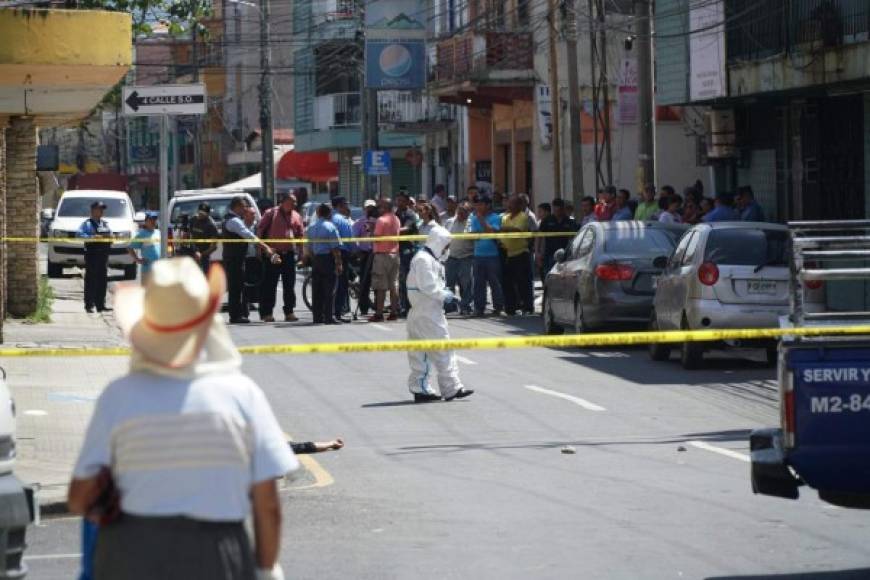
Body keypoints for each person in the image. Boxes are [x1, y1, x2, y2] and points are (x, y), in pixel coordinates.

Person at [67, 258, 297, 580]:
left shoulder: (118, 397)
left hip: (129, 554)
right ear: (207, 324)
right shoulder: (242, 395)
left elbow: (79, 498)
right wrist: (265, 569)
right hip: (216, 553)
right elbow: (268, 504)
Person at [406, 225, 474, 403]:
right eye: (445, 245)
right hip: (428, 313)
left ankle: (420, 389)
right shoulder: (424, 260)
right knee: (442, 349)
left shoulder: (428, 259)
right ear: (438, 243)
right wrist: (446, 295)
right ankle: (451, 388)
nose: (447, 250)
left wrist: (445, 293)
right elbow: (428, 286)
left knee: (422, 353)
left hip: (423, 311)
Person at [223, 196, 277, 324]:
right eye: (243, 207)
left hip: (236, 258)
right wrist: (266, 247)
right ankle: (235, 316)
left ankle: (238, 314)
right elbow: (249, 236)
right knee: (236, 287)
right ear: (236, 207)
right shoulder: (234, 221)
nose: (245, 209)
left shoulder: (233, 219)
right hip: (234, 259)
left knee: (238, 286)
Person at [257, 192, 304, 323]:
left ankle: (289, 312)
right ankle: (267, 313)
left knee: (289, 284)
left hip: (289, 254)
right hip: (273, 254)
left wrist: (301, 253)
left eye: (295, 201)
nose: (295, 204)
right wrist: (261, 250)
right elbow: (260, 231)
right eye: (292, 201)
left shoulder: (296, 216)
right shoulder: (271, 213)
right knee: (270, 283)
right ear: (283, 201)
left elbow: (300, 235)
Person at [306, 203, 343, 324]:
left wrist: (314, 260)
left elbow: (309, 247)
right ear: (329, 214)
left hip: (316, 260)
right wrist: (338, 263)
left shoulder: (310, 227)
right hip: (328, 259)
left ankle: (317, 317)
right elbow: (335, 248)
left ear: (318, 213)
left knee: (317, 290)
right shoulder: (330, 227)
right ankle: (328, 317)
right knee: (330, 290)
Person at [469, 194, 505, 317]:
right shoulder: (474, 219)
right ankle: (479, 308)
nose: (478, 206)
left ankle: (498, 308)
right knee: (478, 284)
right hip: (478, 255)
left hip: (492, 255)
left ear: (488, 205)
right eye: (477, 204)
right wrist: (482, 227)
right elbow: (474, 235)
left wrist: (482, 221)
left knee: (495, 283)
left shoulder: (496, 217)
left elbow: (492, 231)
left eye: (481, 204)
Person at [500, 195, 534, 315]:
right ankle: (510, 308)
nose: (509, 206)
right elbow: (502, 231)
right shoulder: (505, 217)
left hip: (520, 254)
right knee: (507, 282)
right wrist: (505, 229)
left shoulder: (523, 217)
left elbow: (517, 230)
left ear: (519, 206)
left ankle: (527, 307)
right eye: (509, 203)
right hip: (507, 254)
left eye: (513, 203)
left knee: (523, 282)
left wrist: (505, 229)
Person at [77, 201, 112, 313]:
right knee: (91, 280)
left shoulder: (105, 224)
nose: (102, 211)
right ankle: (89, 305)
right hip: (92, 255)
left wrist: (110, 237)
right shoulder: (87, 224)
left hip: (103, 255)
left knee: (102, 280)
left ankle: (101, 305)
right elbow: (78, 235)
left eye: (102, 209)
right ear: (93, 211)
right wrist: (93, 236)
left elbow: (111, 236)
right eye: (99, 209)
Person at [369, 198, 401, 322]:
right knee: (394, 285)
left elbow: (377, 238)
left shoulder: (381, 220)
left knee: (381, 286)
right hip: (394, 254)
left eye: (380, 206)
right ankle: (394, 312)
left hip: (382, 255)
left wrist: (371, 231)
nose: (378, 209)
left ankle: (379, 313)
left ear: (385, 207)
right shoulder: (396, 219)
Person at [444, 202, 474, 316]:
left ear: (468, 213)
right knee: (449, 283)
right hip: (451, 257)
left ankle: (466, 306)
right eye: (460, 211)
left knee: (466, 283)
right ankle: (450, 307)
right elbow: (444, 238)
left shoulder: (471, 223)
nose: (461, 214)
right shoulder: (449, 222)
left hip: (466, 257)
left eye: (464, 212)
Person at [538, 198, 578, 277]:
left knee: (564, 277)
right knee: (549, 276)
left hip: (565, 255)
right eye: (555, 210)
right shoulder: (547, 220)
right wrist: (538, 252)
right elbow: (539, 237)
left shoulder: (570, 221)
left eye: (559, 210)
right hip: (549, 254)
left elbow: (573, 238)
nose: (557, 212)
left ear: (563, 209)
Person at [329, 197, 354, 322]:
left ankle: (329, 313)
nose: (348, 207)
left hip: (326, 255)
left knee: (330, 284)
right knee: (341, 285)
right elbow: (350, 240)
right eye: (346, 204)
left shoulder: (327, 219)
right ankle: (338, 313)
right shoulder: (342, 221)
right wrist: (355, 252)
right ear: (340, 205)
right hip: (342, 254)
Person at [352, 200, 378, 316]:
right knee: (364, 282)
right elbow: (353, 238)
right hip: (365, 253)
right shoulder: (360, 222)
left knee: (378, 281)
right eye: (368, 208)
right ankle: (363, 307)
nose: (370, 210)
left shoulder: (379, 221)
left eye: (372, 208)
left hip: (377, 253)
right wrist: (358, 250)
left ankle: (378, 306)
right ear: (364, 209)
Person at [395, 192, 419, 316]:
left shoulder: (410, 214)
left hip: (408, 251)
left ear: (407, 202)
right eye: (397, 200)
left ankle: (408, 306)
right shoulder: (395, 213)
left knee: (407, 280)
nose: (399, 203)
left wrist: (392, 231)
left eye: (401, 201)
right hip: (397, 250)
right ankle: (402, 305)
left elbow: (407, 228)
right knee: (400, 280)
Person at [127, 211, 160, 282]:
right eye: (151, 219)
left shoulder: (159, 233)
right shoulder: (142, 234)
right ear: (146, 221)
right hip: (147, 271)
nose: (153, 221)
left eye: (154, 219)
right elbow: (129, 248)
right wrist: (137, 260)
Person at [187, 203, 219, 273]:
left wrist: (202, 255)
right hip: (192, 252)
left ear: (208, 214)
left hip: (204, 256)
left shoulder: (211, 225)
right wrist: (195, 250)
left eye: (203, 213)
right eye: (200, 212)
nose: (200, 215)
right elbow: (190, 235)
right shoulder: (193, 220)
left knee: (204, 278)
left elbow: (214, 246)